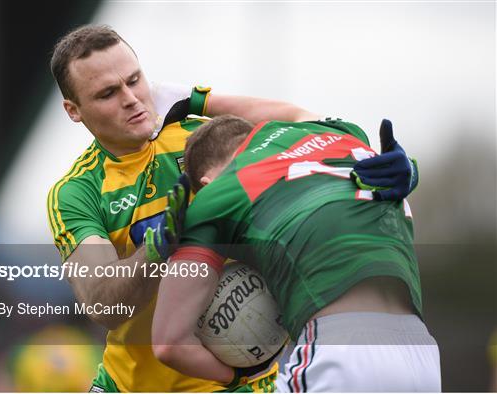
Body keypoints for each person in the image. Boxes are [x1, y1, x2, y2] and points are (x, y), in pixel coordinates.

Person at [46, 24, 329, 392]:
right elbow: (103, 305)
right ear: (74, 110)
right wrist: (158, 246)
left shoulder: (203, 138)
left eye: (135, 80)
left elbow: (303, 123)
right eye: (108, 93)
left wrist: (199, 101)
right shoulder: (76, 192)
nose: (131, 98)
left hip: (237, 382)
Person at [151, 115, 441, 392]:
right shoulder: (341, 137)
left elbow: (169, 344)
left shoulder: (217, 195)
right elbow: (293, 113)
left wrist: (244, 372)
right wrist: (200, 99)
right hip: (422, 354)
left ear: (205, 183)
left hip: (338, 353)